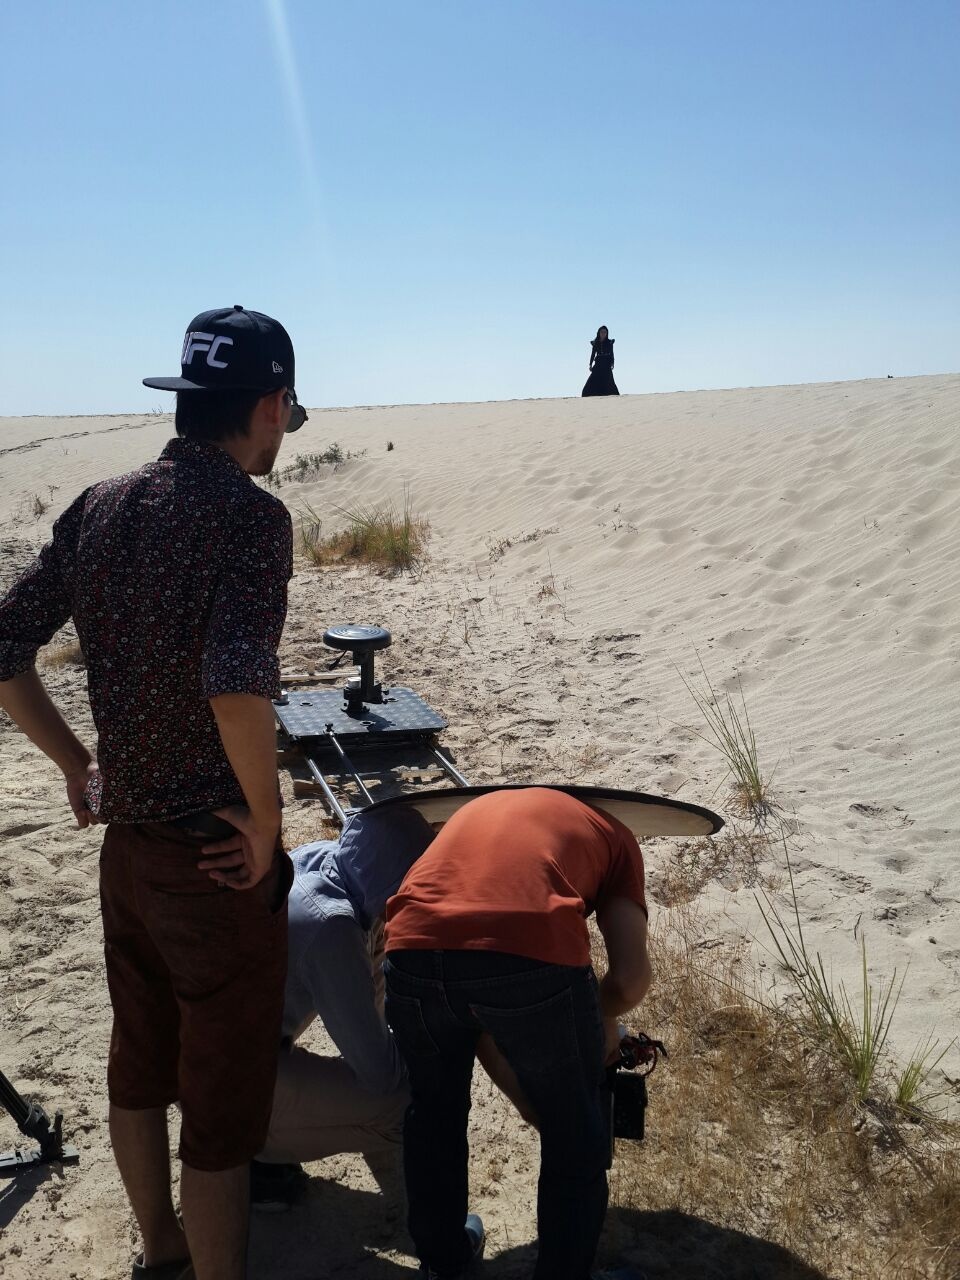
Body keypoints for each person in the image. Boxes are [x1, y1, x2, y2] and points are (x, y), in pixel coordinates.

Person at [0, 304, 307, 1280]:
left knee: (138, 1060)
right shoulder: (250, 519)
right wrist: (267, 822)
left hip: (126, 850)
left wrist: (75, 763)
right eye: (290, 411)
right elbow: (235, 685)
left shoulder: (101, 504)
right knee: (218, 1107)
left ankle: (161, 1249)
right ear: (267, 404)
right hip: (212, 858)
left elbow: (5, 648)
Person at [384, 785, 652, 1280]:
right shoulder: (617, 837)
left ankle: (443, 1263)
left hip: (408, 946)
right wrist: (596, 1020)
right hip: (527, 945)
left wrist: (531, 1090)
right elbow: (631, 980)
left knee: (434, 1111)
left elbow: (475, 1008)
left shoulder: (479, 810)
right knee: (576, 1133)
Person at [252, 805, 435, 1209]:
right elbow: (382, 1075)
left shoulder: (331, 863)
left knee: (376, 948)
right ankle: (251, 1157)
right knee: (413, 1102)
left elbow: (375, 986)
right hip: (222, 1083)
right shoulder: (332, 928)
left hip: (219, 1045)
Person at [581, 326, 619, 397]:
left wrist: (612, 363)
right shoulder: (595, 343)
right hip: (598, 363)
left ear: (607, 333)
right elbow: (593, 354)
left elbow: (612, 354)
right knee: (592, 380)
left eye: (605, 332)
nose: (603, 334)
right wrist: (590, 364)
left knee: (609, 381)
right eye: (602, 332)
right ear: (599, 333)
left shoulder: (610, 342)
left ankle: (612, 396)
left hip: (607, 363)